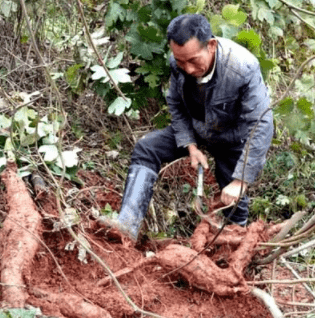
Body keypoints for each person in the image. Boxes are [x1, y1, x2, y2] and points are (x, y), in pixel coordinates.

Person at [99, 14, 273, 241]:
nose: (188, 69)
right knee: (146, 148)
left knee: (232, 198)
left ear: (211, 45)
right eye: (181, 62)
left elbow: (261, 123)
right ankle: (127, 225)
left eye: (193, 60)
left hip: (231, 136)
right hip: (197, 128)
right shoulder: (178, 63)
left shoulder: (242, 67)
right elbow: (176, 103)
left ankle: (232, 246)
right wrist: (190, 146)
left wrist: (240, 182)